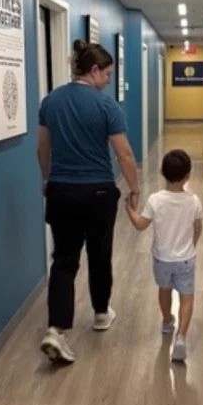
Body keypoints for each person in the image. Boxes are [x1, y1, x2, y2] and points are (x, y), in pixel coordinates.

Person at [37, 39, 140, 364]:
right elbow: (123, 153)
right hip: (97, 193)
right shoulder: (106, 106)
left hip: (62, 191)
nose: (109, 80)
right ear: (93, 70)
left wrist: (47, 179)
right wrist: (135, 187)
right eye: (107, 73)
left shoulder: (50, 101)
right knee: (99, 254)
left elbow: (42, 148)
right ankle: (100, 314)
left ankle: (56, 329)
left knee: (64, 261)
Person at [124, 149, 203, 363]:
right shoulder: (194, 201)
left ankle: (167, 320)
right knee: (187, 296)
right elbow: (198, 227)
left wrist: (129, 209)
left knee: (164, 289)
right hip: (186, 258)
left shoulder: (155, 200)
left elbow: (141, 225)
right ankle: (181, 337)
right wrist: (191, 245)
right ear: (188, 175)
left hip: (162, 259)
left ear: (161, 172)